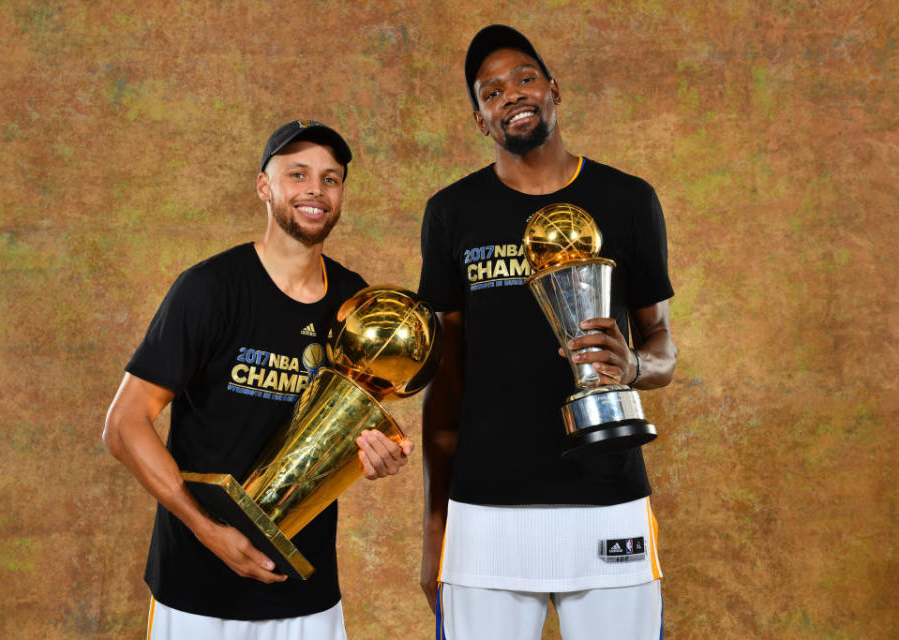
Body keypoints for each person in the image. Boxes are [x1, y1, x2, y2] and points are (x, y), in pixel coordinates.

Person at [103, 120, 412, 640]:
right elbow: (124, 426)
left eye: (330, 178)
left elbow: (354, 420)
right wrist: (207, 529)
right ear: (264, 187)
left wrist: (381, 453)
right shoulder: (208, 288)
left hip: (305, 593)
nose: (316, 189)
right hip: (199, 588)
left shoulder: (355, 302)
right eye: (297, 174)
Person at [418, 26, 677, 639]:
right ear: (481, 120)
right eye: (492, 92)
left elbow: (663, 349)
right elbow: (446, 384)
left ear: (554, 90)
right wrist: (435, 528)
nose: (512, 95)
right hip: (485, 508)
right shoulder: (452, 212)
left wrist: (632, 366)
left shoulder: (628, 200)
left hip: (606, 495)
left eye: (525, 78)